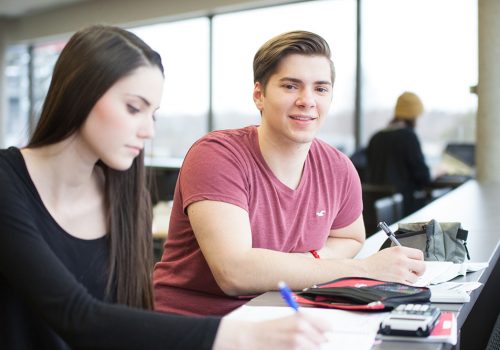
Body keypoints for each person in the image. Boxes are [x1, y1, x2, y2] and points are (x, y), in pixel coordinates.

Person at [0, 25, 332, 350]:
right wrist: (243, 336)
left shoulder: (123, 195)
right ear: (80, 94)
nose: (148, 131)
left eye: (153, 114)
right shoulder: (6, 181)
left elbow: (127, 317)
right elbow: (77, 318)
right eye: (133, 108)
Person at [153, 30, 426, 316]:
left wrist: (308, 261)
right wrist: (364, 269)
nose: (308, 100)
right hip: (197, 323)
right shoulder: (217, 155)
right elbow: (235, 272)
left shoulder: (339, 168)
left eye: (321, 88)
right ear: (259, 95)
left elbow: (350, 238)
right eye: (291, 86)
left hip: (283, 314)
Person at [365, 91, 432, 215]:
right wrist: (437, 172)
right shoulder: (408, 137)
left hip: (375, 210)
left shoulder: (376, 137)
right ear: (414, 116)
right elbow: (423, 177)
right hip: (403, 208)